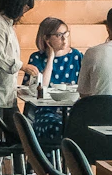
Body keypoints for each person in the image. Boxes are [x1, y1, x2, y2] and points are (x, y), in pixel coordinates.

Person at [21, 14, 82, 142]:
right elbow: (40, 88)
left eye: (66, 33)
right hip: (45, 112)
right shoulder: (36, 58)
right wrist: (50, 58)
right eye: (59, 35)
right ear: (47, 39)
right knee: (57, 127)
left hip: (73, 111)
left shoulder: (77, 56)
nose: (64, 39)